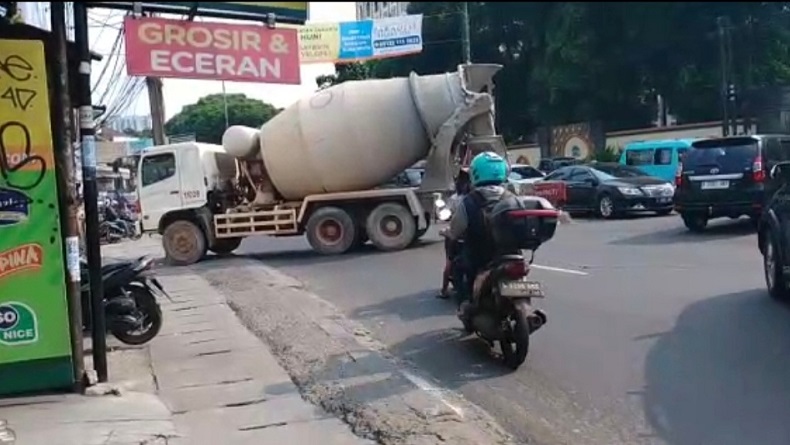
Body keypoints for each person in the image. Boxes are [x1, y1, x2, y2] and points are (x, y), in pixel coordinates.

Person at [442, 151, 513, 316]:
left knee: (458, 267)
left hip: (480, 255)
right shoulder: (511, 197)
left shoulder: (469, 201)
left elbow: (455, 230)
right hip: (508, 253)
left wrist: (449, 234)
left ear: (476, 173)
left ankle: (465, 305)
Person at [438, 168, 472, 299]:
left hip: (457, 235)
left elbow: (446, 215)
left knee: (449, 262)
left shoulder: (455, 199)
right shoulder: (476, 197)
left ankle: (444, 290)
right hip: (473, 236)